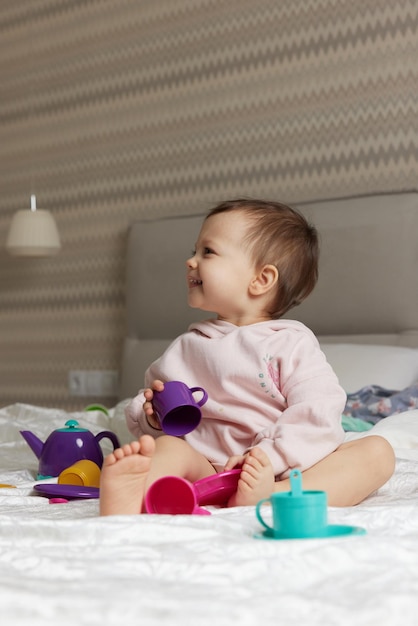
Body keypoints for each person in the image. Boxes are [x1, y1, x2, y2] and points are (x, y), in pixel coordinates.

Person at [99, 198, 395, 516]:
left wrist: (267, 459)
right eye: (194, 251)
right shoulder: (186, 347)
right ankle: (136, 499)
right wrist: (152, 419)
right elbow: (162, 416)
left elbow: (316, 414)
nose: (190, 261)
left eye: (207, 252)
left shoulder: (290, 343)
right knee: (167, 449)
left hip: (276, 470)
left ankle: (272, 497)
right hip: (206, 469)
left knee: (378, 452)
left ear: (261, 279)